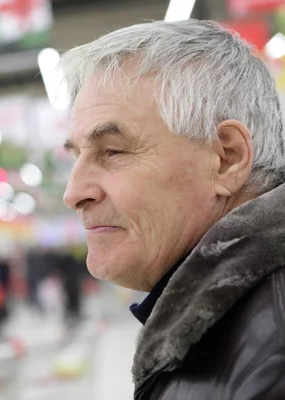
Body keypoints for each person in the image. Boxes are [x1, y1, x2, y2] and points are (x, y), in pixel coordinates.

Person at [60, 19, 285, 399]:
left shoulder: (270, 356)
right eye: (76, 155)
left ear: (227, 158)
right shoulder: (227, 332)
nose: (73, 192)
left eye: (113, 151)